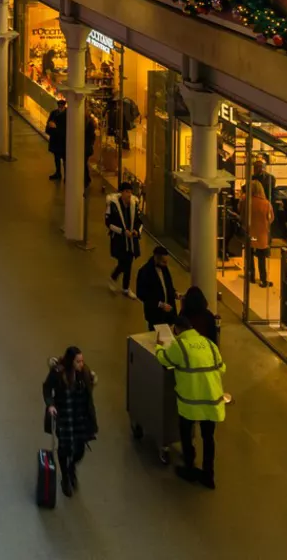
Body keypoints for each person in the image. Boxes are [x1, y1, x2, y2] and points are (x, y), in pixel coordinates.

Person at [157, 309, 226, 487]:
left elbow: (164, 359)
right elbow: (222, 367)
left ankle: (189, 467)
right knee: (208, 438)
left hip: (191, 402)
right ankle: (208, 475)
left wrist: (158, 346)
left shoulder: (180, 346)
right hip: (212, 401)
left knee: (186, 434)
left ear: (177, 330)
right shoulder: (209, 343)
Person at [42, 346, 98, 498]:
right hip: (65, 416)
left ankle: (71, 466)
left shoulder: (84, 373)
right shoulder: (58, 373)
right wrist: (51, 405)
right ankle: (65, 478)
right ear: (70, 361)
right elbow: (47, 388)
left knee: (80, 449)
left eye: (82, 361)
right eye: (78, 361)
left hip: (80, 416)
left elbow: (88, 391)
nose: (81, 364)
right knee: (64, 448)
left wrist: (92, 382)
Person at [106, 180, 145, 294]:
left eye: (130, 192)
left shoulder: (134, 205)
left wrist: (137, 231)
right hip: (119, 240)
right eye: (127, 191)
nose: (129, 194)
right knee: (125, 262)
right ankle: (116, 280)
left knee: (128, 262)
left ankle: (125, 286)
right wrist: (123, 232)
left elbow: (139, 221)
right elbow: (108, 223)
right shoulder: (113, 205)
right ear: (122, 192)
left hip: (131, 241)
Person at [138, 245, 180, 332]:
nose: (166, 264)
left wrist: (174, 292)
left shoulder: (164, 268)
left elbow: (168, 285)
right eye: (164, 262)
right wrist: (160, 304)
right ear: (156, 258)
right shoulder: (144, 272)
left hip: (167, 314)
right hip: (155, 315)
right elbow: (142, 294)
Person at [246, 183, 273, 287]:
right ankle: (263, 279)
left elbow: (242, 213)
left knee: (250, 256)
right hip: (261, 236)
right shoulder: (266, 204)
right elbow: (271, 218)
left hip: (250, 234)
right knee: (261, 258)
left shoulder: (247, 201)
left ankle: (251, 276)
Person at [46, 98, 68, 180]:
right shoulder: (54, 113)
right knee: (56, 158)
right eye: (59, 106)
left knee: (65, 159)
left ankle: (66, 175)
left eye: (62, 106)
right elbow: (48, 125)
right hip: (56, 139)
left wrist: (55, 128)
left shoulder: (67, 115)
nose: (60, 108)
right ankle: (58, 173)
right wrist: (50, 127)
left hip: (63, 140)